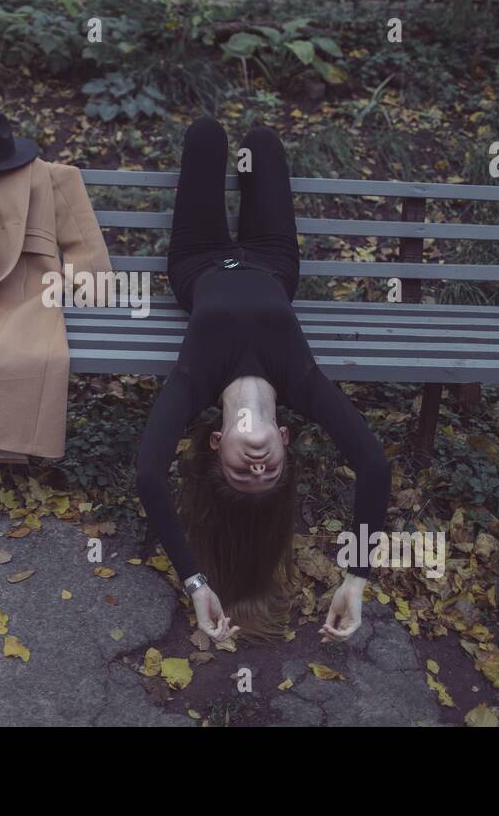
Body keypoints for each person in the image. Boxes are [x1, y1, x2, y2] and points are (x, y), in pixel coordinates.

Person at [135, 115, 391, 644]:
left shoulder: (192, 381)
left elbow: (147, 474)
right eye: (268, 476)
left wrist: (195, 582)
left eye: (239, 474)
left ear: (216, 441)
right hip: (273, 262)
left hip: (198, 261)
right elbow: (374, 465)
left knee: (205, 135)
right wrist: (357, 578)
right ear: (285, 441)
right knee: (262, 143)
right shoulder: (301, 381)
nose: (256, 469)